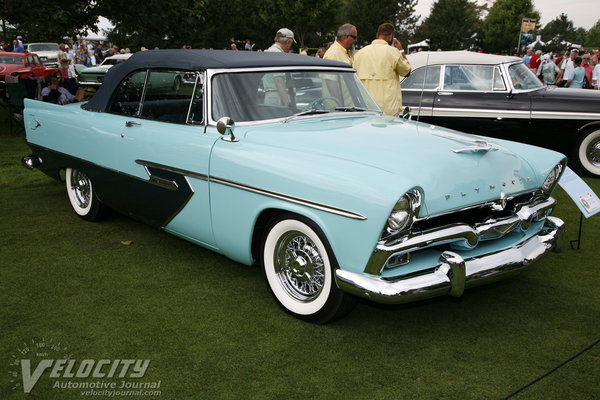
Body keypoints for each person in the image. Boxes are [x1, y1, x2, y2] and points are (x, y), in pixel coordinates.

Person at [353, 22, 411, 116]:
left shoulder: (359, 54)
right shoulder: (393, 52)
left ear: (377, 35)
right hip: (388, 109)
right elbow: (407, 72)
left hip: (366, 108)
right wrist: (401, 51)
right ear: (391, 36)